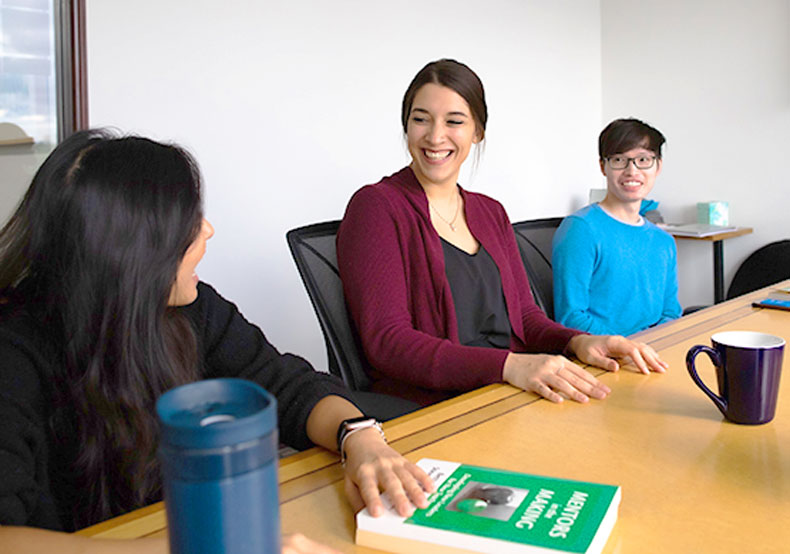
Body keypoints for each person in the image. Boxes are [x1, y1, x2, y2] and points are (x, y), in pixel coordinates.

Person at [0, 130, 433, 553]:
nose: (207, 230)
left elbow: (285, 384)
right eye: (187, 223)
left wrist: (360, 439)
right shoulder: (14, 354)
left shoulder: (189, 309)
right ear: (131, 252)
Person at [336, 60, 667, 408]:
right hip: (439, 407)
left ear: (477, 131)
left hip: (510, 394)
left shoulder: (490, 211)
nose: (435, 136)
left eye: (454, 121)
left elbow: (524, 317)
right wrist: (509, 365)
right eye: (421, 119)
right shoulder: (376, 206)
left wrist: (579, 342)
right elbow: (388, 342)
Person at [552, 118, 682, 336]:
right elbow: (571, 318)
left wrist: (653, 345)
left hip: (653, 353)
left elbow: (670, 313)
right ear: (603, 166)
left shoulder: (664, 242)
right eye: (619, 160)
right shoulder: (581, 230)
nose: (632, 171)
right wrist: (626, 347)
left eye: (643, 159)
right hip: (603, 358)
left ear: (658, 166)